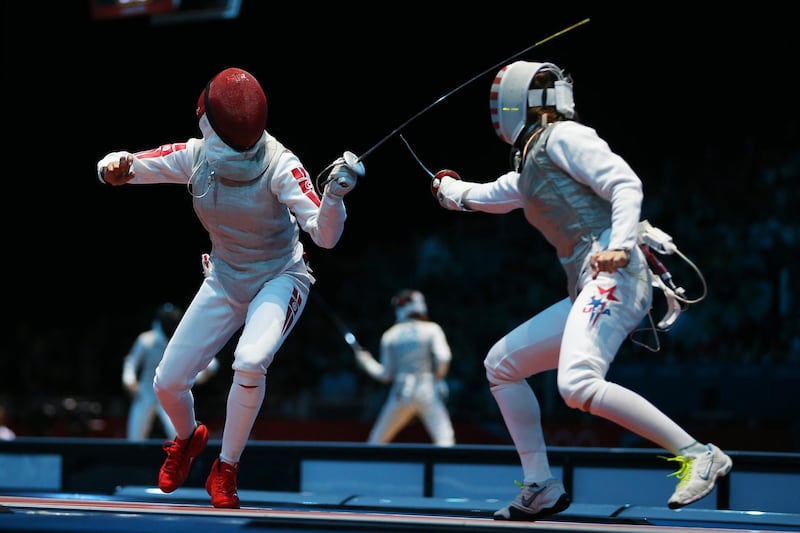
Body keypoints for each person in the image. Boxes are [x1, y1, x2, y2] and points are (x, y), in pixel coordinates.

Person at [430, 60, 732, 520]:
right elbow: (488, 195)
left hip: (616, 274)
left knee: (576, 383)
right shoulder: (532, 167)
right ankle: (540, 486)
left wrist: (621, 245)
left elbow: (625, 183)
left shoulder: (566, 137)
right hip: (589, 285)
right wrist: (448, 189)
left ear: (517, 102)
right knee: (502, 365)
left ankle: (698, 454)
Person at [97, 67, 362, 508]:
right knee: (167, 381)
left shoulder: (281, 163)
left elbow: (326, 235)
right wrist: (111, 165)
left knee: (251, 360)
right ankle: (187, 438)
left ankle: (227, 468)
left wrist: (334, 197)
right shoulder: (196, 155)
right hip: (224, 276)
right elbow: (128, 168)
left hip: (279, 276)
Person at [354, 289, 455, 446]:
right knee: (445, 440)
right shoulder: (432, 329)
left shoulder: (390, 335)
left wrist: (366, 362)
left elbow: (385, 375)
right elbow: (444, 357)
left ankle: (367, 470)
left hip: (401, 391)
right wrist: (438, 379)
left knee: (376, 441)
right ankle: (448, 471)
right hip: (427, 389)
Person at [122, 302, 219, 441]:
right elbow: (131, 362)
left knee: (177, 435)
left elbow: (210, 361)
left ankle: (180, 462)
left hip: (169, 393)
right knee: (135, 436)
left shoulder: (181, 340)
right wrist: (129, 381)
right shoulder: (146, 340)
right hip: (146, 392)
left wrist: (201, 376)